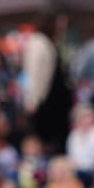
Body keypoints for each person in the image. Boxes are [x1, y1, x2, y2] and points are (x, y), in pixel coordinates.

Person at [21, 14, 73, 153]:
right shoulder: (39, 42)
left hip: (55, 102)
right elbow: (31, 73)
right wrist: (31, 99)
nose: (63, 27)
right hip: (44, 102)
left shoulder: (51, 42)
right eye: (60, 23)